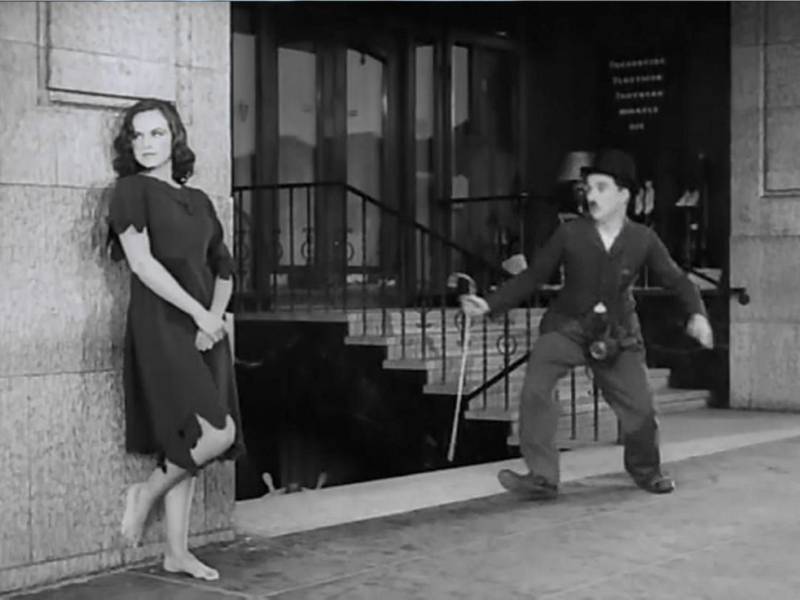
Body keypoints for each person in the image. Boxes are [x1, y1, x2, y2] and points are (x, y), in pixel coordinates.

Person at [460, 149, 713, 500]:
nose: (591, 195)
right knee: (535, 391)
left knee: (641, 408)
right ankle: (542, 477)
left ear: (624, 194)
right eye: (588, 188)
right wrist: (489, 303)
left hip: (618, 334)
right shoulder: (570, 233)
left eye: (601, 188)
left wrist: (697, 313)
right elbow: (534, 276)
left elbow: (678, 280)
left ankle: (646, 471)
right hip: (566, 326)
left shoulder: (643, 239)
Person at [107, 98, 244, 580]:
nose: (146, 144)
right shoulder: (130, 191)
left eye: (157, 133)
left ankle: (177, 552)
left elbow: (223, 267)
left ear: (175, 139)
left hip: (207, 327)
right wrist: (199, 315)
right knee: (216, 431)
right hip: (162, 323)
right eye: (137, 135)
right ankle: (143, 494)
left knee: (184, 438)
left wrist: (213, 319)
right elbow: (142, 264)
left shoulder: (200, 201)